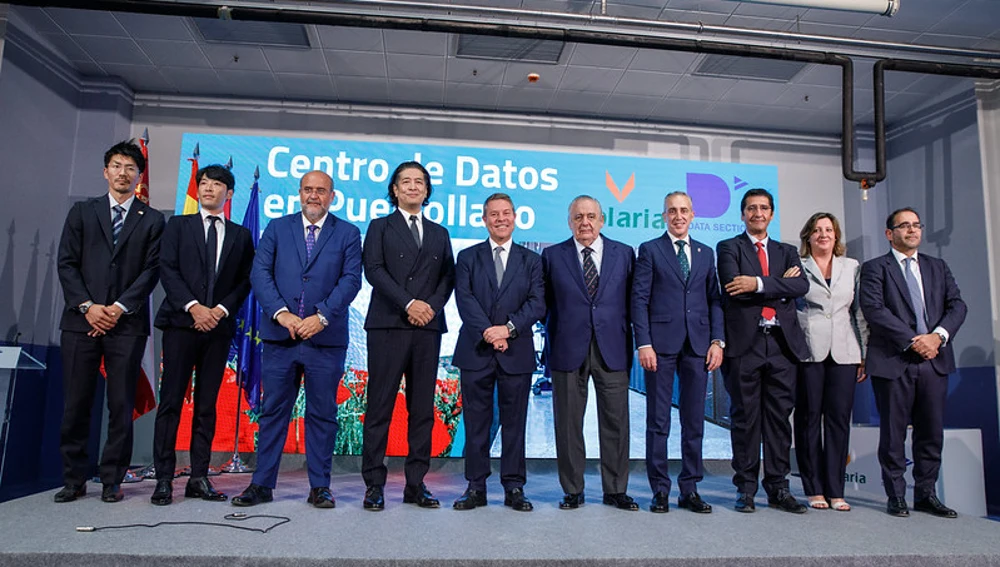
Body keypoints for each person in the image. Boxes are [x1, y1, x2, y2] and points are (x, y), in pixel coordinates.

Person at [233, 170, 362, 508]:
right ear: (299, 193)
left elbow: (351, 281)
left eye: (321, 190)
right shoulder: (277, 228)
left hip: (325, 339)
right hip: (280, 336)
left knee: (322, 414)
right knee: (273, 411)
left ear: (332, 196)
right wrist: (282, 314)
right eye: (308, 189)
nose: (313, 196)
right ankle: (261, 484)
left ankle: (320, 486)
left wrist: (321, 317)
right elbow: (259, 273)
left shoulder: (347, 233)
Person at [55, 140, 165, 503]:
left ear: (139, 176)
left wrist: (117, 307)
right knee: (76, 403)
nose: (123, 173)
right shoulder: (83, 213)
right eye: (117, 166)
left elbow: (151, 270)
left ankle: (112, 479)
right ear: (106, 171)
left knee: (120, 405)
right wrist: (88, 306)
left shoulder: (152, 220)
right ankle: (73, 479)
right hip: (80, 322)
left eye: (130, 168)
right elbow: (66, 263)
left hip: (126, 325)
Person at [150, 165, 254, 506]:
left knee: (207, 406)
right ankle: (164, 478)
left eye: (216, 184)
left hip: (218, 329)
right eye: (204, 183)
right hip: (182, 325)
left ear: (229, 193)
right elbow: (168, 269)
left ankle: (199, 476)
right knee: (171, 404)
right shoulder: (178, 225)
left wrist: (219, 311)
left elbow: (244, 280)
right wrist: (194, 307)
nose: (209, 189)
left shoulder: (241, 235)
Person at [860, 207, 966, 518]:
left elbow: (957, 305)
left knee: (930, 432)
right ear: (889, 233)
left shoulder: (938, 266)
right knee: (894, 433)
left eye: (916, 225)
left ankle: (926, 494)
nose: (912, 231)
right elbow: (874, 310)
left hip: (935, 359)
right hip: (895, 360)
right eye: (904, 226)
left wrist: (938, 337)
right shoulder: (874, 268)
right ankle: (896, 495)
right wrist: (914, 340)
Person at [360, 161, 455, 511]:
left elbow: (448, 278)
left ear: (427, 191)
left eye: (420, 182)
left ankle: (416, 484)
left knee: (422, 411)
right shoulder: (379, 227)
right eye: (406, 182)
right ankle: (374, 484)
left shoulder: (439, 233)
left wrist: (428, 306)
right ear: (395, 190)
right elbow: (374, 270)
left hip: (427, 327)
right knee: (380, 406)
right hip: (388, 324)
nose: (413, 187)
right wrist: (409, 302)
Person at [716, 187, 809, 514]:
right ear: (742, 214)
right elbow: (732, 286)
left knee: (779, 421)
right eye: (751, 208)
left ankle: (779, 488)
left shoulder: (788, 251)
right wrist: (777, 285)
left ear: (771, 214)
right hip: (746, 345)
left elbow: (800, 287)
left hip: (783, 346)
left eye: (764, 208)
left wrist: (756, 283)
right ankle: (745, 488)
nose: (758, 213)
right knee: (745, 419)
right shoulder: (728, 247)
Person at [542, 195, 637, 511]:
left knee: (616, 422)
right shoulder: (553, 255)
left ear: (602, 220)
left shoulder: (624, 254)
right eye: (578, 217)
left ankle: (615, 489)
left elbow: (633, 301)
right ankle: (573, 490)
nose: (585, 222)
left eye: (591, 216)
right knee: (568, 423)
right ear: (569, 221)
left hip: (613, 346)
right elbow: (544, 303)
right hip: (567, 347)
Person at [452, 193, 545, 512]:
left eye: (506, 213)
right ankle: (475, 487)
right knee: (477, 422)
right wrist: (490, 333)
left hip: (516, 351)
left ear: (515, 217)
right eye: (494, 214)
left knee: (515, 423)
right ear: (484, 219)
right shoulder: (467, 257)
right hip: (476, 350)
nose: (501, 219)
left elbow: (537, 303)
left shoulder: (532, 260)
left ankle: (514, 487)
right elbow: (464, 300)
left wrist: (508, 329)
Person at [632, 191, 723, 514]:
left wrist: (717, 341)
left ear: (693, 215)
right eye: (672, 211)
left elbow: (714, 299)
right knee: (658, 421)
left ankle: (690, 488)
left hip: (698, 347)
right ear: (664, 216)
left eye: (684, 210)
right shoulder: (650, 250)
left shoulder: (705, 252)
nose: (679, 216)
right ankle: (659, 489)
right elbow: (639, 300)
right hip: (660, 346)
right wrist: (644, 343)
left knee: (694, 421)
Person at [793, 212, 868, 512]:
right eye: (817, 230)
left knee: (838, 421)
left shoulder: (852, 267)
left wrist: (863, 353)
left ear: (836, 236)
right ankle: (814, 488)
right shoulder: (796, 266)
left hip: (845, 351)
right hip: (808, 351)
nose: (823, 234)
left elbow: (859, 312)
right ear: (808, 236)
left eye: (829, 229)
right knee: (809, 419)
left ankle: (837, 490)